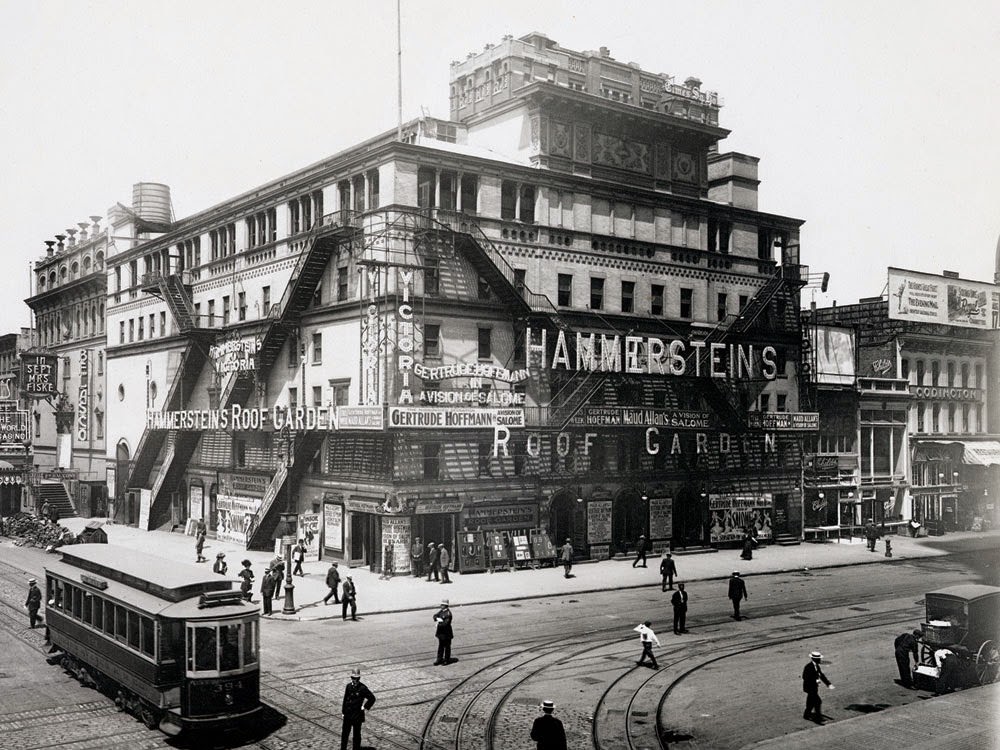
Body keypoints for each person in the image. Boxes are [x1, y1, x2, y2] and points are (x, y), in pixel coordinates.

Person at [340, 667, 376, 750]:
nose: (354, 680)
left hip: (357, 716)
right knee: (344, 734)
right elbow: (345, 699)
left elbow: (372, 698)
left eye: (356, 678)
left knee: (356, 735)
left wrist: (364, 707)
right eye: (353, 678)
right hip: (348, 715)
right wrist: (343, 712)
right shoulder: (348, 686)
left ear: (359, 678)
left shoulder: (362, 688)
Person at [802, 651, 833, 722]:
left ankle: (807, 715)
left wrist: (828, 684)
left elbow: (821, 675)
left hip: (813, 688)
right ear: (814, 659)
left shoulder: (816, 666)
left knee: (810, 702)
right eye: (818, 659)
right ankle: (818, 717)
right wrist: (815, 680)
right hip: (810, 687)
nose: (820, 660)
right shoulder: (808, 667)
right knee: (817, 701)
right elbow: (805, 677)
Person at [434, 599, 453, 665]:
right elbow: (435, 615)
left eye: (442, 605)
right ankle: (439, 659)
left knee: (447, 647)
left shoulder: (448, 613)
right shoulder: (441, 611)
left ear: (445, 605)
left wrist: (438, 624)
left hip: (446, 633)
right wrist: (437, 618)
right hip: (441, 633)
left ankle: (446, 660)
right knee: (440, 646)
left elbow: (445, 624)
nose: (441, 606)